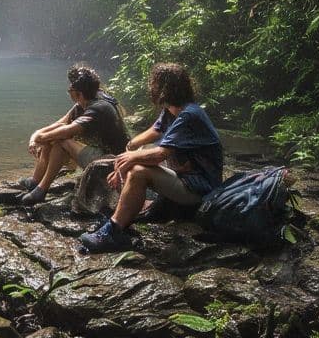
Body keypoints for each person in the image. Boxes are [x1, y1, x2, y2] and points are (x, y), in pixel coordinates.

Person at [80, 62, 223, 252]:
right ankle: (123, 219)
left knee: (138, 171)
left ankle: (113, 233)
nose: (151, 87)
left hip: (201, 189)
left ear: (165, 88)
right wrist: (131, 147)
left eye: (154, 83)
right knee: (135, 158)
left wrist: (129, 159)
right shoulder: (172, 111)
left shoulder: (189, 115)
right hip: (185, 177)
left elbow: (160, 154)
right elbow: (154, 131)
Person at [18, 64, 129, 204]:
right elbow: (60, 123)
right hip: (101, 153)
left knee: (61, 141)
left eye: (70, 89)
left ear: (79, 93)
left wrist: (41, 138)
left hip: (112, 161)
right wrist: (35, 136)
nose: (69, 91)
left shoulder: (99, 107)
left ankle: (42, 189)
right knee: (54, 136)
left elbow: (67, 131)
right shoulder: (87, 100)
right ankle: (36, 181)